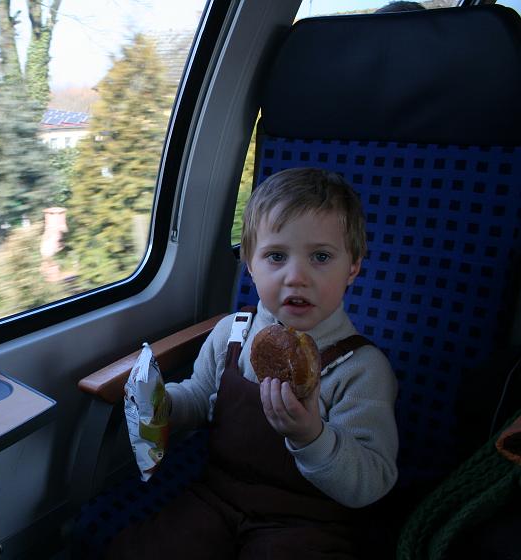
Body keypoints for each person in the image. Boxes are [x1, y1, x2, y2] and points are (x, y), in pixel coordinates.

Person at [107, 167, 399, 559]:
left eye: (321, 257)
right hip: (216, 498)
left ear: (353, 267)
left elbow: (371, 483)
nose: (296, 277)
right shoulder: (233, 333)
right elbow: (199, 396)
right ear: (249, 263)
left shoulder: (360, 368)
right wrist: (164, 405)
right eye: (276, 256)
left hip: (308, 521)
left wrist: (311, 435)